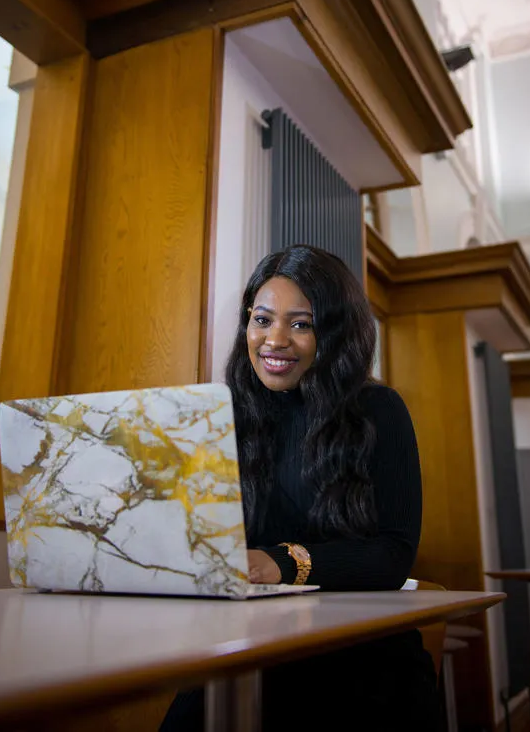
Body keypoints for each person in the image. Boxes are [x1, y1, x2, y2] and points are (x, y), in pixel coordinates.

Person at [161, 245, 441, 731]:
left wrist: (281, 562)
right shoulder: (227, 414)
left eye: (300, 324)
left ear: (332, 333)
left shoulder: (379, 410)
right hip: (249, 646)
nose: (274, 340)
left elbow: (394, 553)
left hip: (358, 660)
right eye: (262, 319)